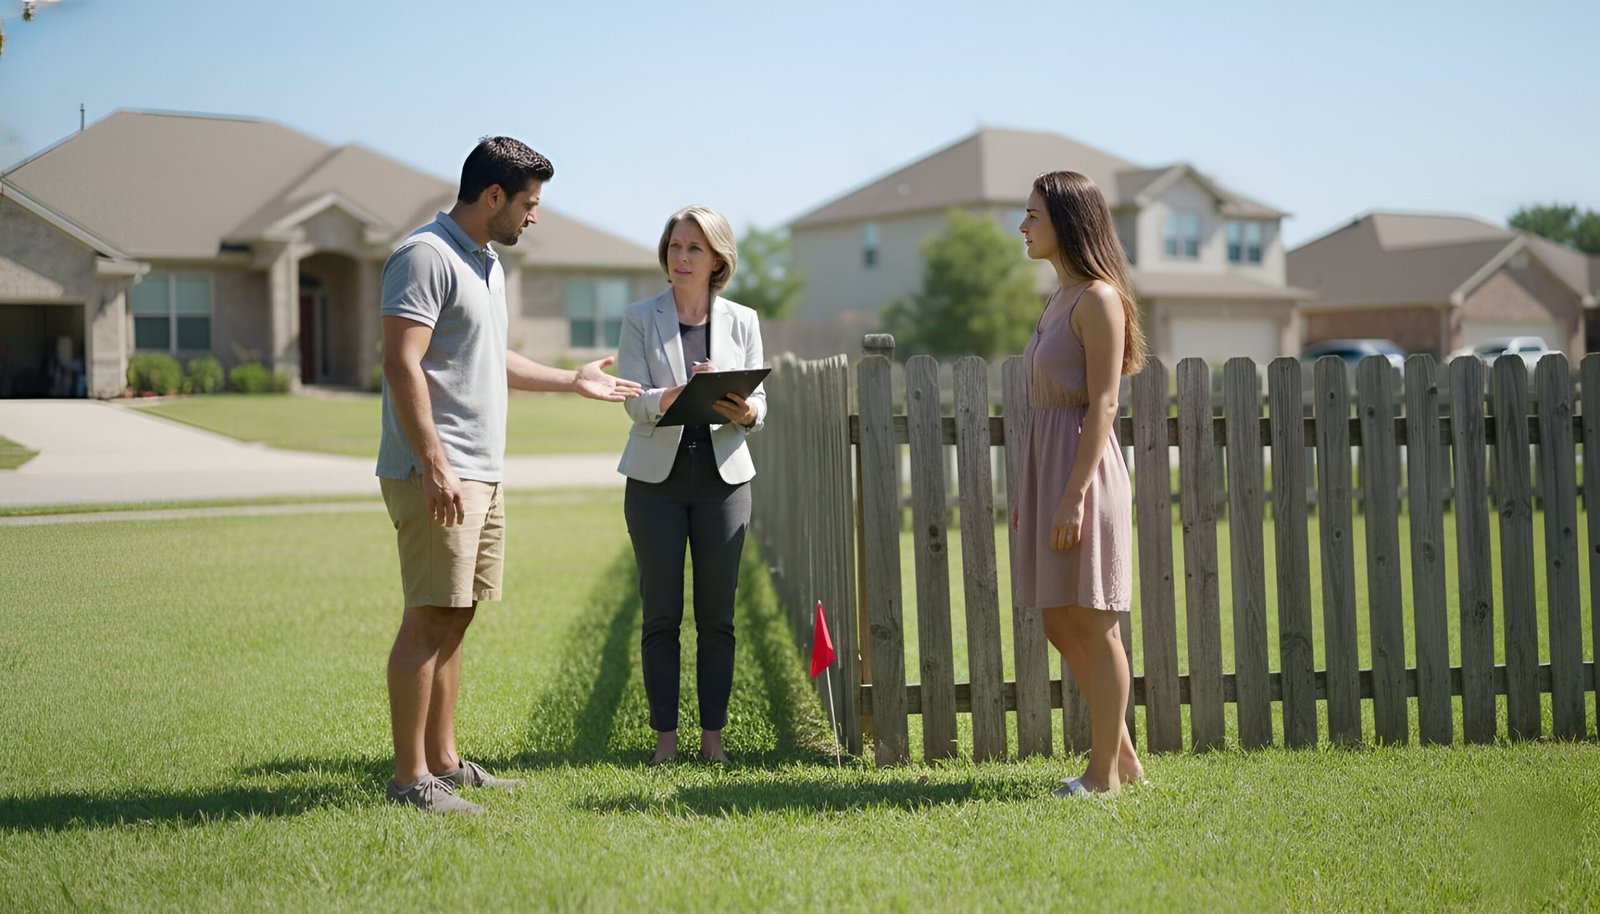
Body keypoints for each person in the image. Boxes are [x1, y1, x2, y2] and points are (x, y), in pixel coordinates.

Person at [377, 136, 642, 814]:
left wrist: (571, 380)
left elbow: (492, 359)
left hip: (480, 470)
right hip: (438, 469)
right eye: (528, 203)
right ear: (492, 196)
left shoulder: (486, 264)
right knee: (429, 615)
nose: (534, 216)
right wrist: (434, 462)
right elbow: (401, 362)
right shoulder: (425, 257)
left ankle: (443, 761)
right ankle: (410, 781)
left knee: (457, 615)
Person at [617, 205, 767, 766]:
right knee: (660, 613)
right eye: (675, 246)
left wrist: (744, 410)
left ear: (716, 260)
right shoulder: (640, 316)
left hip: (724, 481)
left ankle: (713, 741)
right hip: (655, 481)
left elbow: (760, 404)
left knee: (717, 617)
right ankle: (664, 743)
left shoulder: (743, 320)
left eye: (694, 249)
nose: (681, 257)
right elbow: (632, 399)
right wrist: (678, 394)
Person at [1014, 170, 1147, 795]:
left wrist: (1071, 495)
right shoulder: (1059, 297)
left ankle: (1103, 778)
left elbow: (1103, 405)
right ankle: (1123, 758)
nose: (1023, 226)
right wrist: (1034, 495)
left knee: (1094, 623)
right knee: (1058, 622)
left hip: (1085, 476)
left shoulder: (1098, 298)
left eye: (1034, 215)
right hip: (1051, 471)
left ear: (1067, 222)